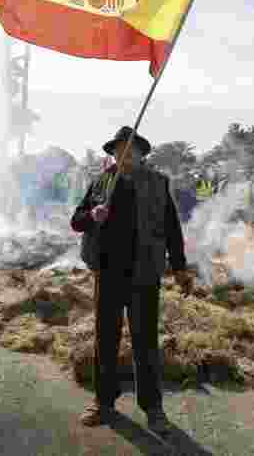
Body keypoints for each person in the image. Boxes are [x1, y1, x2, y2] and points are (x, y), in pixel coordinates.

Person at [70, 126, 190, 436]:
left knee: (145, 343)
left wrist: (179, 268)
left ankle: (153, 409)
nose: (124, 155)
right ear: (112, 154)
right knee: (105, 340)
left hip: (144, 274)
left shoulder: (157, 183)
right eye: (119, 150)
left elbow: (172, 228)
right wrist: (91, 216)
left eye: (130, 150)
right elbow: (76, 221)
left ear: (140, 154)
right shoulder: (100, 182)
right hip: (108, 274)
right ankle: (103, 402)